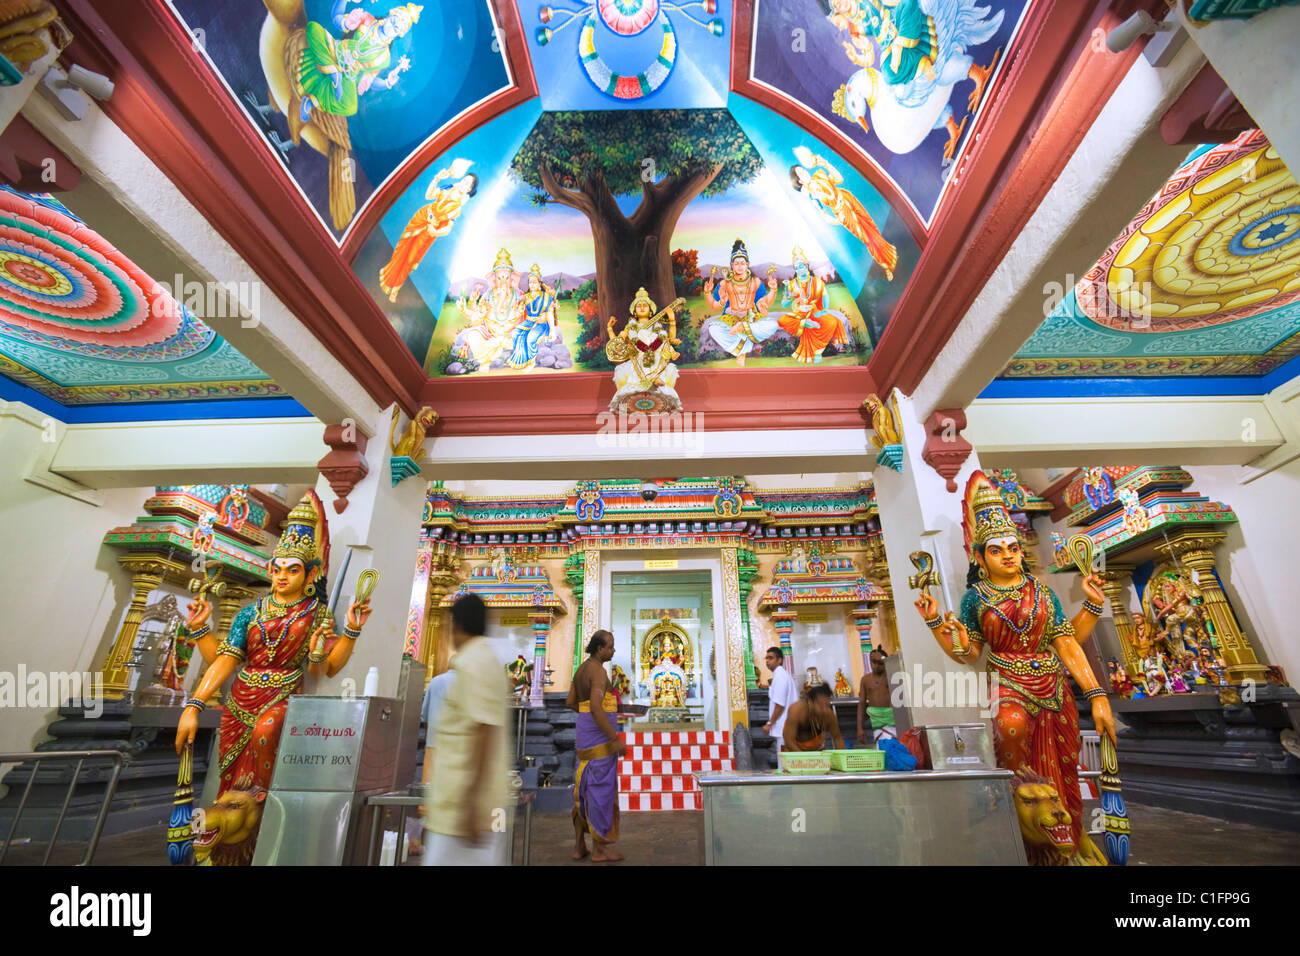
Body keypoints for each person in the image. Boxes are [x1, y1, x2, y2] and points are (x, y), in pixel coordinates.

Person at [424, 592, 511, 866]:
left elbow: (483, 730)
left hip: (466, 808)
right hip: (458, 800)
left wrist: (472, 803)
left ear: (457, 625)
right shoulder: (480, 660)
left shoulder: (475, 662)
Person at [568, 629, 625, 862]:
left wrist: (590, 720)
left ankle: (580, 845)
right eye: (610, 646)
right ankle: (600, 849)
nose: (613, 650)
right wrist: (614, 737)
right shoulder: (598, 672)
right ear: (599, 648)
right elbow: (595, 707)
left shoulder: (581, 669)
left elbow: (571, 702)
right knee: (601, 791)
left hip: (586, 735)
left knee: (584, 789)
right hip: (600, 740)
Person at [783, 683, 845, 752]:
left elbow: (837, 738)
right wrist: (806, 759)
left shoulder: (828, 714)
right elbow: (789, 741)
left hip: (817, 750)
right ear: (810, 702)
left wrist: (842, 758)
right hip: (794, 751)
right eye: (820, 705)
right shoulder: (796, 710)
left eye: (827, 705)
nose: (824, 709)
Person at [857, 647, 896, 744]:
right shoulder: (865, 680)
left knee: (894, 748)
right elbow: (861, 703)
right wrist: (859, 728)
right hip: (876, 721)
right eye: (873, 662)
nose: (876, 666)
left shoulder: (891, 676)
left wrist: (884, 659)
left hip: (892, 719)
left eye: (880, 663)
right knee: (881, 749)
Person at [761, 647, 798, 744]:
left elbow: (780, 705)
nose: (767, 661)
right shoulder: (780, 675)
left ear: (780, 660)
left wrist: (769, 723)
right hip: (786, 726)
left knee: (784, 757)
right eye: (766, 658)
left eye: (771, 658)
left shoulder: (780, 677)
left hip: (784, 727)